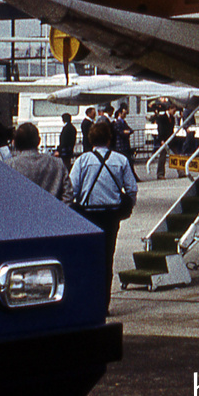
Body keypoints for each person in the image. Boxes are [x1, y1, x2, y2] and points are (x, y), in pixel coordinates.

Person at [70, 120, 138, 313]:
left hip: (88, 214)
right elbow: (131, 188)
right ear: (109, 139)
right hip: (111, 215)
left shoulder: (82, 160)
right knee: (107, 259)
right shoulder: (120, 160)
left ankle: (87, 301)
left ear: (91, 139)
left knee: (88, 259)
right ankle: (103, 305)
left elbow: (72, 188)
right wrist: (127, 206)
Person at [7, 121, 72, 202]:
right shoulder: (57, 164)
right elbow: (68, 194)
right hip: (52, 212)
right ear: (38, 141)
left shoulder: (10, 166)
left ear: (16, 143)